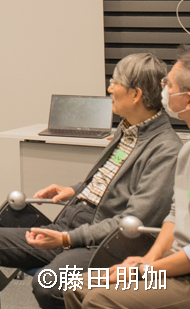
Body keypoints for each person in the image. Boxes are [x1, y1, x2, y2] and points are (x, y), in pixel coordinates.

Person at [0, 52, 182, 309]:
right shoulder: (127, 130)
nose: (110, 88)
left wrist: (68, 239)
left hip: (102, 243)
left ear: (135, 95)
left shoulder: (166, 151)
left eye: (115, 82)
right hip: (69, 225)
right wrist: (75, 189)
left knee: (48, 285)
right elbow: (110, 181)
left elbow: (132, 221)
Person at [64, 46, 190, 309]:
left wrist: (144, 270)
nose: (163, 91)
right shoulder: (187, 151)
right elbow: (176, 213)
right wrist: (150, 258)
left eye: (169, 85)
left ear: (187, 100)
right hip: (172, 260)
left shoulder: (168, 148)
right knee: (76, 287)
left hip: (184, 273)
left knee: (98, 299)